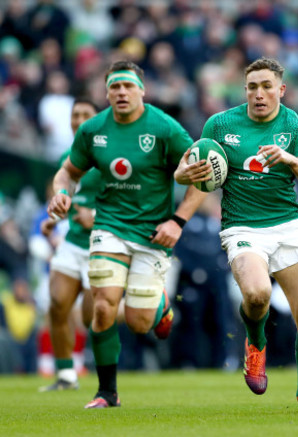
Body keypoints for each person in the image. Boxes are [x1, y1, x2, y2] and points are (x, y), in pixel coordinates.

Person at [47, 60, 207, 408]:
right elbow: (67, 172)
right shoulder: (92, 130)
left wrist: (177, 222)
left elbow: (201, 179)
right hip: (110, 228)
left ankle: (160, 304)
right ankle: (107, 392)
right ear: (106, 93)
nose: (121, 93)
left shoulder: (165, 129)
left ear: (142, 90)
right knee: (102, 308)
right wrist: (62, 193)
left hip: (153, 234)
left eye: (128, 86)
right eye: (114, 87)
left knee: (138, 322)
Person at [174, 58, 298, 414]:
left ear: (281, 90)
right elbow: (187, 171)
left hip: (288, 226)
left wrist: (289, 159)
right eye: (252, 87)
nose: (259, 94)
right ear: (245, 90)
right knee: (257, 294)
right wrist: (185, 174)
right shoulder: (221, 124)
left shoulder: (294, 125)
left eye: (266, 87)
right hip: (242, 227)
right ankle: (256, 344)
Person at [39, 98, 99, 391]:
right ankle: (65, 375)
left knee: (92, 317)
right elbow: (67, 199)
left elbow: (132, 199)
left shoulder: (110, 156)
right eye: (75, 114)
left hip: (103, 245)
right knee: (58, 304)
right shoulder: (69, 156)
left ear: (98, 119)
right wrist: (54, 220)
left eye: (86, 114)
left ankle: (150, 306)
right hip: (73, 241)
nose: (79, 119)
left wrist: (97, 216)